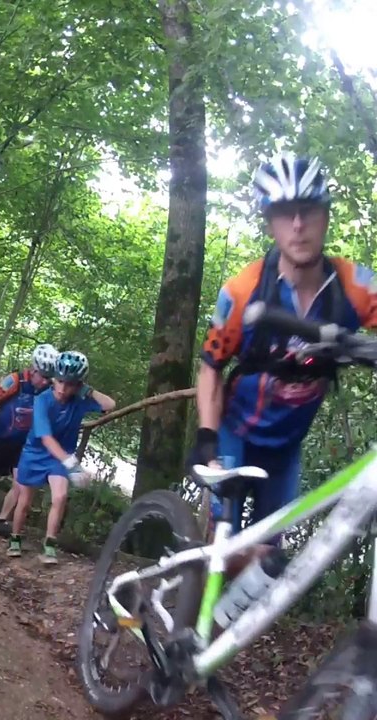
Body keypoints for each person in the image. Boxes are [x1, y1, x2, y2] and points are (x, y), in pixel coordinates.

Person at [191, 151, 377, 554]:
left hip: (287, 446)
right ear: (270, 223)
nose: (297, 224)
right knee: (230, 548)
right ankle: (197, 606)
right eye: (284, 213)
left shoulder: (355, 285)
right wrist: (207, 437)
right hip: (235, 434)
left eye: (308, 210)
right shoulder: (242, 290)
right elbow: (211, 367)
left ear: (325, 216)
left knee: (268, 554)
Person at [8, 351, 115, 563]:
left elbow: (109, 405)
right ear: (53, 378)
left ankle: (49, 546)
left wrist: (88, 390)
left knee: (60, 497)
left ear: (77, 385)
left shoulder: (79, 400)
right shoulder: (42, 400)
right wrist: (71, 464)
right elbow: (46, 438)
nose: (62, 388)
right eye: (59, 381)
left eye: (70, 384)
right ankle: (15, 538)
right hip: (35, 453)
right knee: (25, 500)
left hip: (59, 457)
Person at [0, 344, 59, 536]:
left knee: (20, 484)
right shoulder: (14, 381)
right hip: (0, 439)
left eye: (48, 378)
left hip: (24, 445)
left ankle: (2, 520)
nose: (45, 381)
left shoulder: (47, 391)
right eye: (42, 376)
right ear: (33, 370)